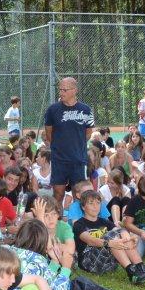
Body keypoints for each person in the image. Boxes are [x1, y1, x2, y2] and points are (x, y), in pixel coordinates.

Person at [72, 190, 145, 285]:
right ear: (83, 207)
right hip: (89, 263)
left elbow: (119, 231)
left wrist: (131, 237)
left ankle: (142, 269)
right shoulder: (79, 224)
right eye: (91, 203)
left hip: (110, 264)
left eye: (98, 203)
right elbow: (90, 240)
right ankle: (131, 272)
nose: (95, 206)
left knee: (122, 232)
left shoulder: (105, 222)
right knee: (111, 236)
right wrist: (110, 243)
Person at [43, 77, 94, 207]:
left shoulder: (86, 110)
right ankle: (56, 218)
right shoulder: (52, 110)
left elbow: (88, 133)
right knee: (58, 194)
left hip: (78, 160)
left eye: (64, 90)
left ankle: (78, 219)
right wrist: (60, 147)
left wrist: (75, 144)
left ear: (74, 90)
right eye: (60, 89)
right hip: (59, 160)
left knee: (79, 195)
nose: (61, 93)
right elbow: (49, 133)